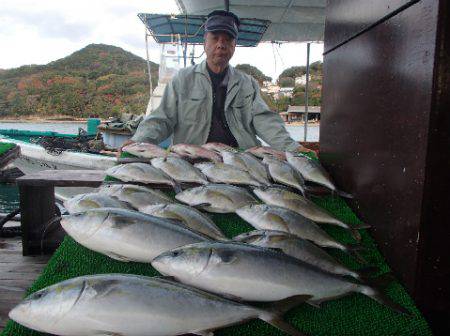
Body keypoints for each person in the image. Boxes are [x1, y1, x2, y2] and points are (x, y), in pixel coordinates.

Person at [122, 10, 312, 154]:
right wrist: (139, 140)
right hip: (194, 158)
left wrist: (292, 147)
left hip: (241, 158)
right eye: (215, 38)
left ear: (234, 46)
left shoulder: (248, 83)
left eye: (227, 39)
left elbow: (265, 121)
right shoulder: (182, 79)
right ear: (205, 41)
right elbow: (162, 118)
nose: (221, 44)